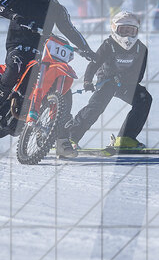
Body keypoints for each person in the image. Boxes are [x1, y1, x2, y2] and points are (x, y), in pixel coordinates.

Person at [0, 0, 94, 129]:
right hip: (18, 44)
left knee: (49, 77)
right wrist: (14, 16)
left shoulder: (57, 8)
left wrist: (87, 50)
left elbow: (70, 30)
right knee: (16, 65)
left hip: (41, 50)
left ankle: (48, 120)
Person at [56, 11, 151, 156]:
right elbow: (94, 63)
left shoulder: (141, 49)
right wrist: (87, 80)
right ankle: (70, 138)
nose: (127, 35)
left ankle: (126, 138)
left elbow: (139, 74)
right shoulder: (109, 44)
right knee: (95, 108)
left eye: (131, 31)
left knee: (144, 99)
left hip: (127, 84)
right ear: (115, 29)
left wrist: (122, 79)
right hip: (106, 82)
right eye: (124, 30)